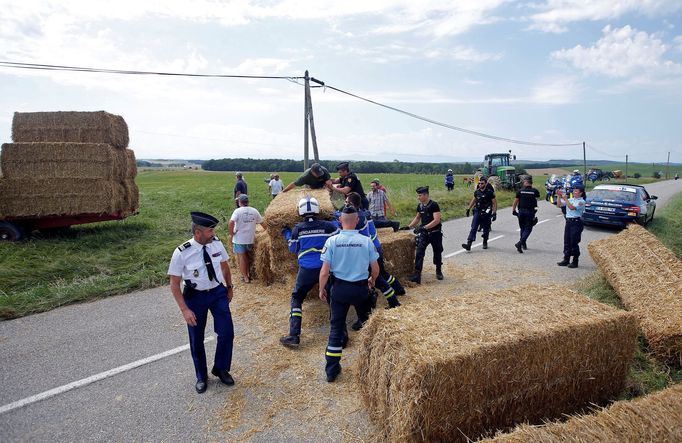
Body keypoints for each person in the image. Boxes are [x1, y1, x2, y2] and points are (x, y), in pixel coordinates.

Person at [168, 211, 235, 394]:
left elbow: (224, 266)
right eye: (209, 231)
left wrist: (229, 287)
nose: (213, 234)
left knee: (227, 332)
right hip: (195, 297)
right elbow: (174, 284)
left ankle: (220, 368)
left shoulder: (216, 244)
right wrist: (184, 310)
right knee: (196, 338)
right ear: (198, 232)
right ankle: (201, 376)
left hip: (217, 293)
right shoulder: (182, 252)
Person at [319, 205, 380, 382]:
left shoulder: (332, 241)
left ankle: (331, 370)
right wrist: (372, 280)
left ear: (340, 221)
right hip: (361, 289)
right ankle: (370, 365)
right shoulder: (366, 241)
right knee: (368, 327)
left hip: (339, 289)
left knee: (336, 329)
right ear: (357, 221)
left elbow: (324, 272)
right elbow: (375, 268)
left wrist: (321, 288)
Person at [279, 197, 339, 348]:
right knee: (333, 298)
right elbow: (339, 235)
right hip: (326, 269)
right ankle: (341, 334)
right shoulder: (329, 226)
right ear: (318, 209)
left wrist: (287, 233)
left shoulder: (297, 229)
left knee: (297, 298)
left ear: (300, 211)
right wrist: (334, 219)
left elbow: (293, 249)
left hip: (306, 270)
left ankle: (294, 335)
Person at [343, 192, 402, 318]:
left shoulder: (358, 217)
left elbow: (342, 223)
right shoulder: (363, 213)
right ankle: (396, 294)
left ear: (352, 204)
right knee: (380, 276)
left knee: (379, 278)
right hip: (374, 249)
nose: (345, 204)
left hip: (369, 252)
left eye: (347, 202)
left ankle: (393, 301)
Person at [407, 186, 443, 283]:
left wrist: (423, 227)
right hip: (424, 234)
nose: (418, 197)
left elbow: (437, 220)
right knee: (419, 252)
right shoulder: (420, 206)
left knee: (437, 252)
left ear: (426, 195)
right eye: (418, 195)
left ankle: (438, 270)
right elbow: (418, 218)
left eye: (419, 195)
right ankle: (417, 275)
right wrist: (409, 226)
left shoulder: (434, 205)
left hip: (435, 233)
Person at [229, 194, 263, 283]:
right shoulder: (254, 211)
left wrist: (232, 233)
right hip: (250, 239)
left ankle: (245, 277)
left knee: (242, 258)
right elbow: (262, 223)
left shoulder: (237, 211)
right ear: (248, 202)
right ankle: (248, 273)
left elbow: (231, 222)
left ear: (240, 202)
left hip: (239, 239)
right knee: (247, 257)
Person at [462, 176, 497, 251]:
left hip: (487, 212)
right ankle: (469, 244)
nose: (480, 185)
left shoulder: (490, 192)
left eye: (482, 183)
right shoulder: (477, 192)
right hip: (477, 211)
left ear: (486, 183)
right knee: (474, 227)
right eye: (479, 183)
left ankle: (485, 242)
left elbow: (494, 203)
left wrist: (494, 213)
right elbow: (474, 200)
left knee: (486, 228)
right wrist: (468, 209)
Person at [557, 185, 586, 268]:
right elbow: (559, 205)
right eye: (574, 191)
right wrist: (559, 196)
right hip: (569, 222)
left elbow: (572, 208)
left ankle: (575, 261)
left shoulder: (581, 201)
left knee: (574, 242)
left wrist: (565, 199)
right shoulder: (571, 199)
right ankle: (566, 259)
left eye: (576, 191)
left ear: (581, 193)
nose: (574, 192)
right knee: (567, 241)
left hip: (576, 223)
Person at [511, 178, 540, 253]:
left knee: (522, 228)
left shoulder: (520, 191)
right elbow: (537, 198)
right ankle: (520, 243)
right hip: (530, 212)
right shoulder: (535, 191)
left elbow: (515, 201)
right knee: (528, 229)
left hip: (521, 212)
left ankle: (523, 244)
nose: (523, 183)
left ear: (526, 183)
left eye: (524, 182)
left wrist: (513, 210)